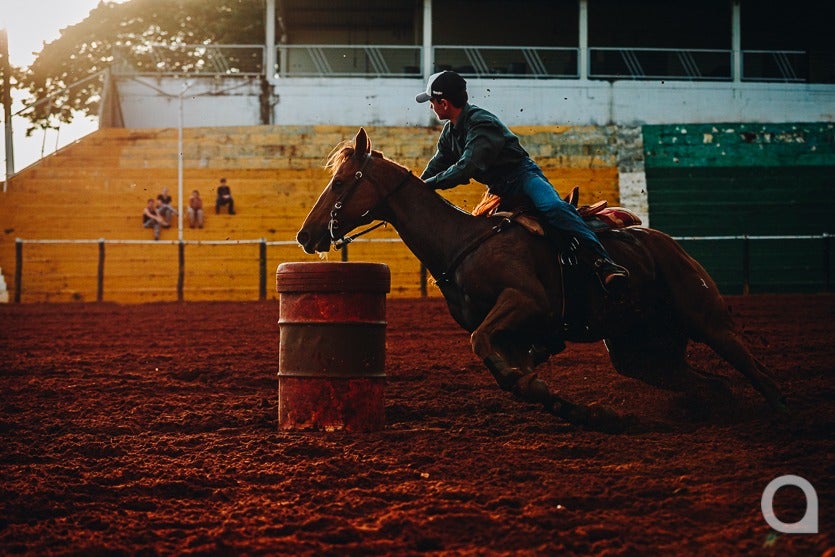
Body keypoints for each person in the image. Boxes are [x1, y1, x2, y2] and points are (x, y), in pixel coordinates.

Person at [415, 70, 629, 292]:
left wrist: (429, 186)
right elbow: (438, 163)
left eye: (432, 101)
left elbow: (465, 168)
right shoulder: (450, 132)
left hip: (523, 178)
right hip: (499, 189)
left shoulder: (481, 124)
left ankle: (604, 263)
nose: (430, 106)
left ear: (444, 103)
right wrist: (418, 186)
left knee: (553, 207)